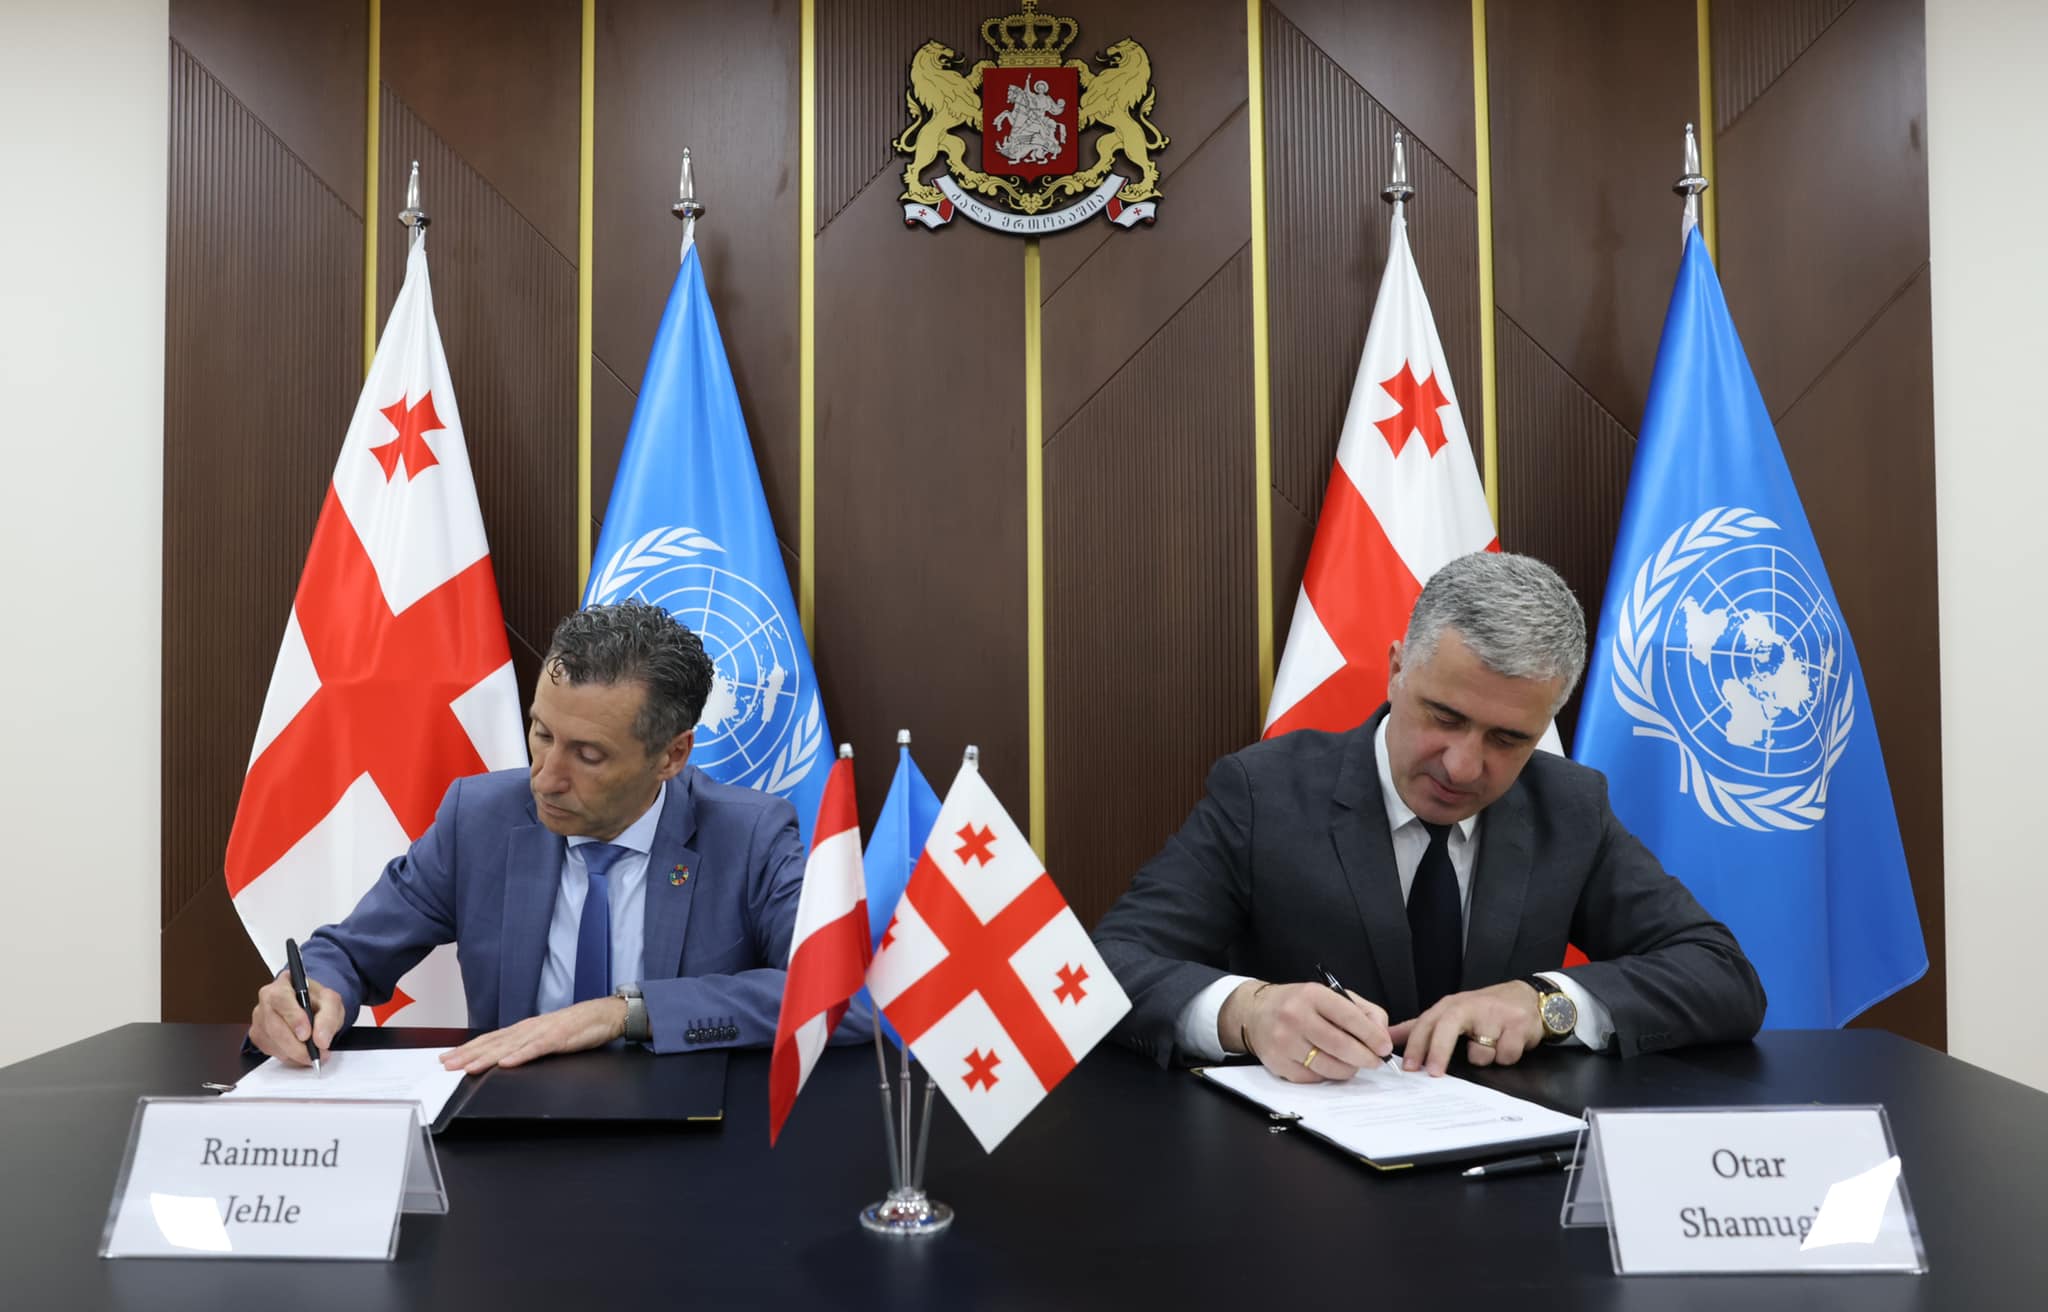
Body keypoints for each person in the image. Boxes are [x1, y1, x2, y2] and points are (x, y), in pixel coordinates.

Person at [1093, 551, 1766, 1082]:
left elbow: (1721, 975)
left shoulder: (1569, 807)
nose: (1463, 767)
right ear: (1395, 671)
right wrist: (1248, 1011)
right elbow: (1109, 966)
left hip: (1505, 1172)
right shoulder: (1263, 792)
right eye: (1444, 718)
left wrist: (1545, 1003)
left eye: (1508, 740)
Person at [248, 601, 837, 1074]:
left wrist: (626, 1013)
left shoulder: (749, 835)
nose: (546, 778)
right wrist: (311, 993)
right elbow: (350, 952)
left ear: (672, 755)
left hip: (686, 1136)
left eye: (589, 755)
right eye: (542, 734)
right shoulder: (479, 819)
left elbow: (838, 997)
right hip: (512, 1127)